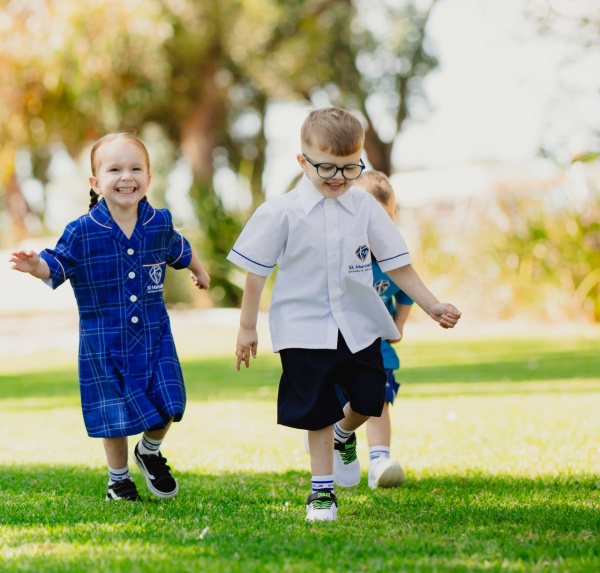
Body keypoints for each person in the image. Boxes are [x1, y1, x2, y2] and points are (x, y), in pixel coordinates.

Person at [227, 107, 461, 522]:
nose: (338, 177)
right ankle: (322, 493)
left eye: (351, 168)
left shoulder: (366, 209)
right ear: (302, 161)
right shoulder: (280, 213)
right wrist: (247, 328)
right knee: (316, 408)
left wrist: (432, 304)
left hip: (357, 323)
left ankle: (343, 434)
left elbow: (396, 264)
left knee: (371, 399)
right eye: (327, 168)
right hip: (302, 328)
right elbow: (256, 275)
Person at [9, 132, 210, 502]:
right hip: (104, 343)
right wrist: (35, 264)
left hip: (154, 337)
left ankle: (148, 450)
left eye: (135, 168)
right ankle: (118, 479)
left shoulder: (159, 223)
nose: (126, 176)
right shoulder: (82, 232)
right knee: (113, 416)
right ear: (96, 182)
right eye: (114, 169)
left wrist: (200, 272)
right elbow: (57, 264)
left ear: (149, 178)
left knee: (171, 401)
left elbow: (179, 247)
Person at [343, 170, 413, 490]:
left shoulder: (393, 257)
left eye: (385, 218)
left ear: (393, 215)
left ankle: (378, 461)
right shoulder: (344, 253)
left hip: (378, 349)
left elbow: (406, 294)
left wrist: (397, 325)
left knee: (378, 398)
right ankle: (339, 441)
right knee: (340, 406)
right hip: (338, 347)